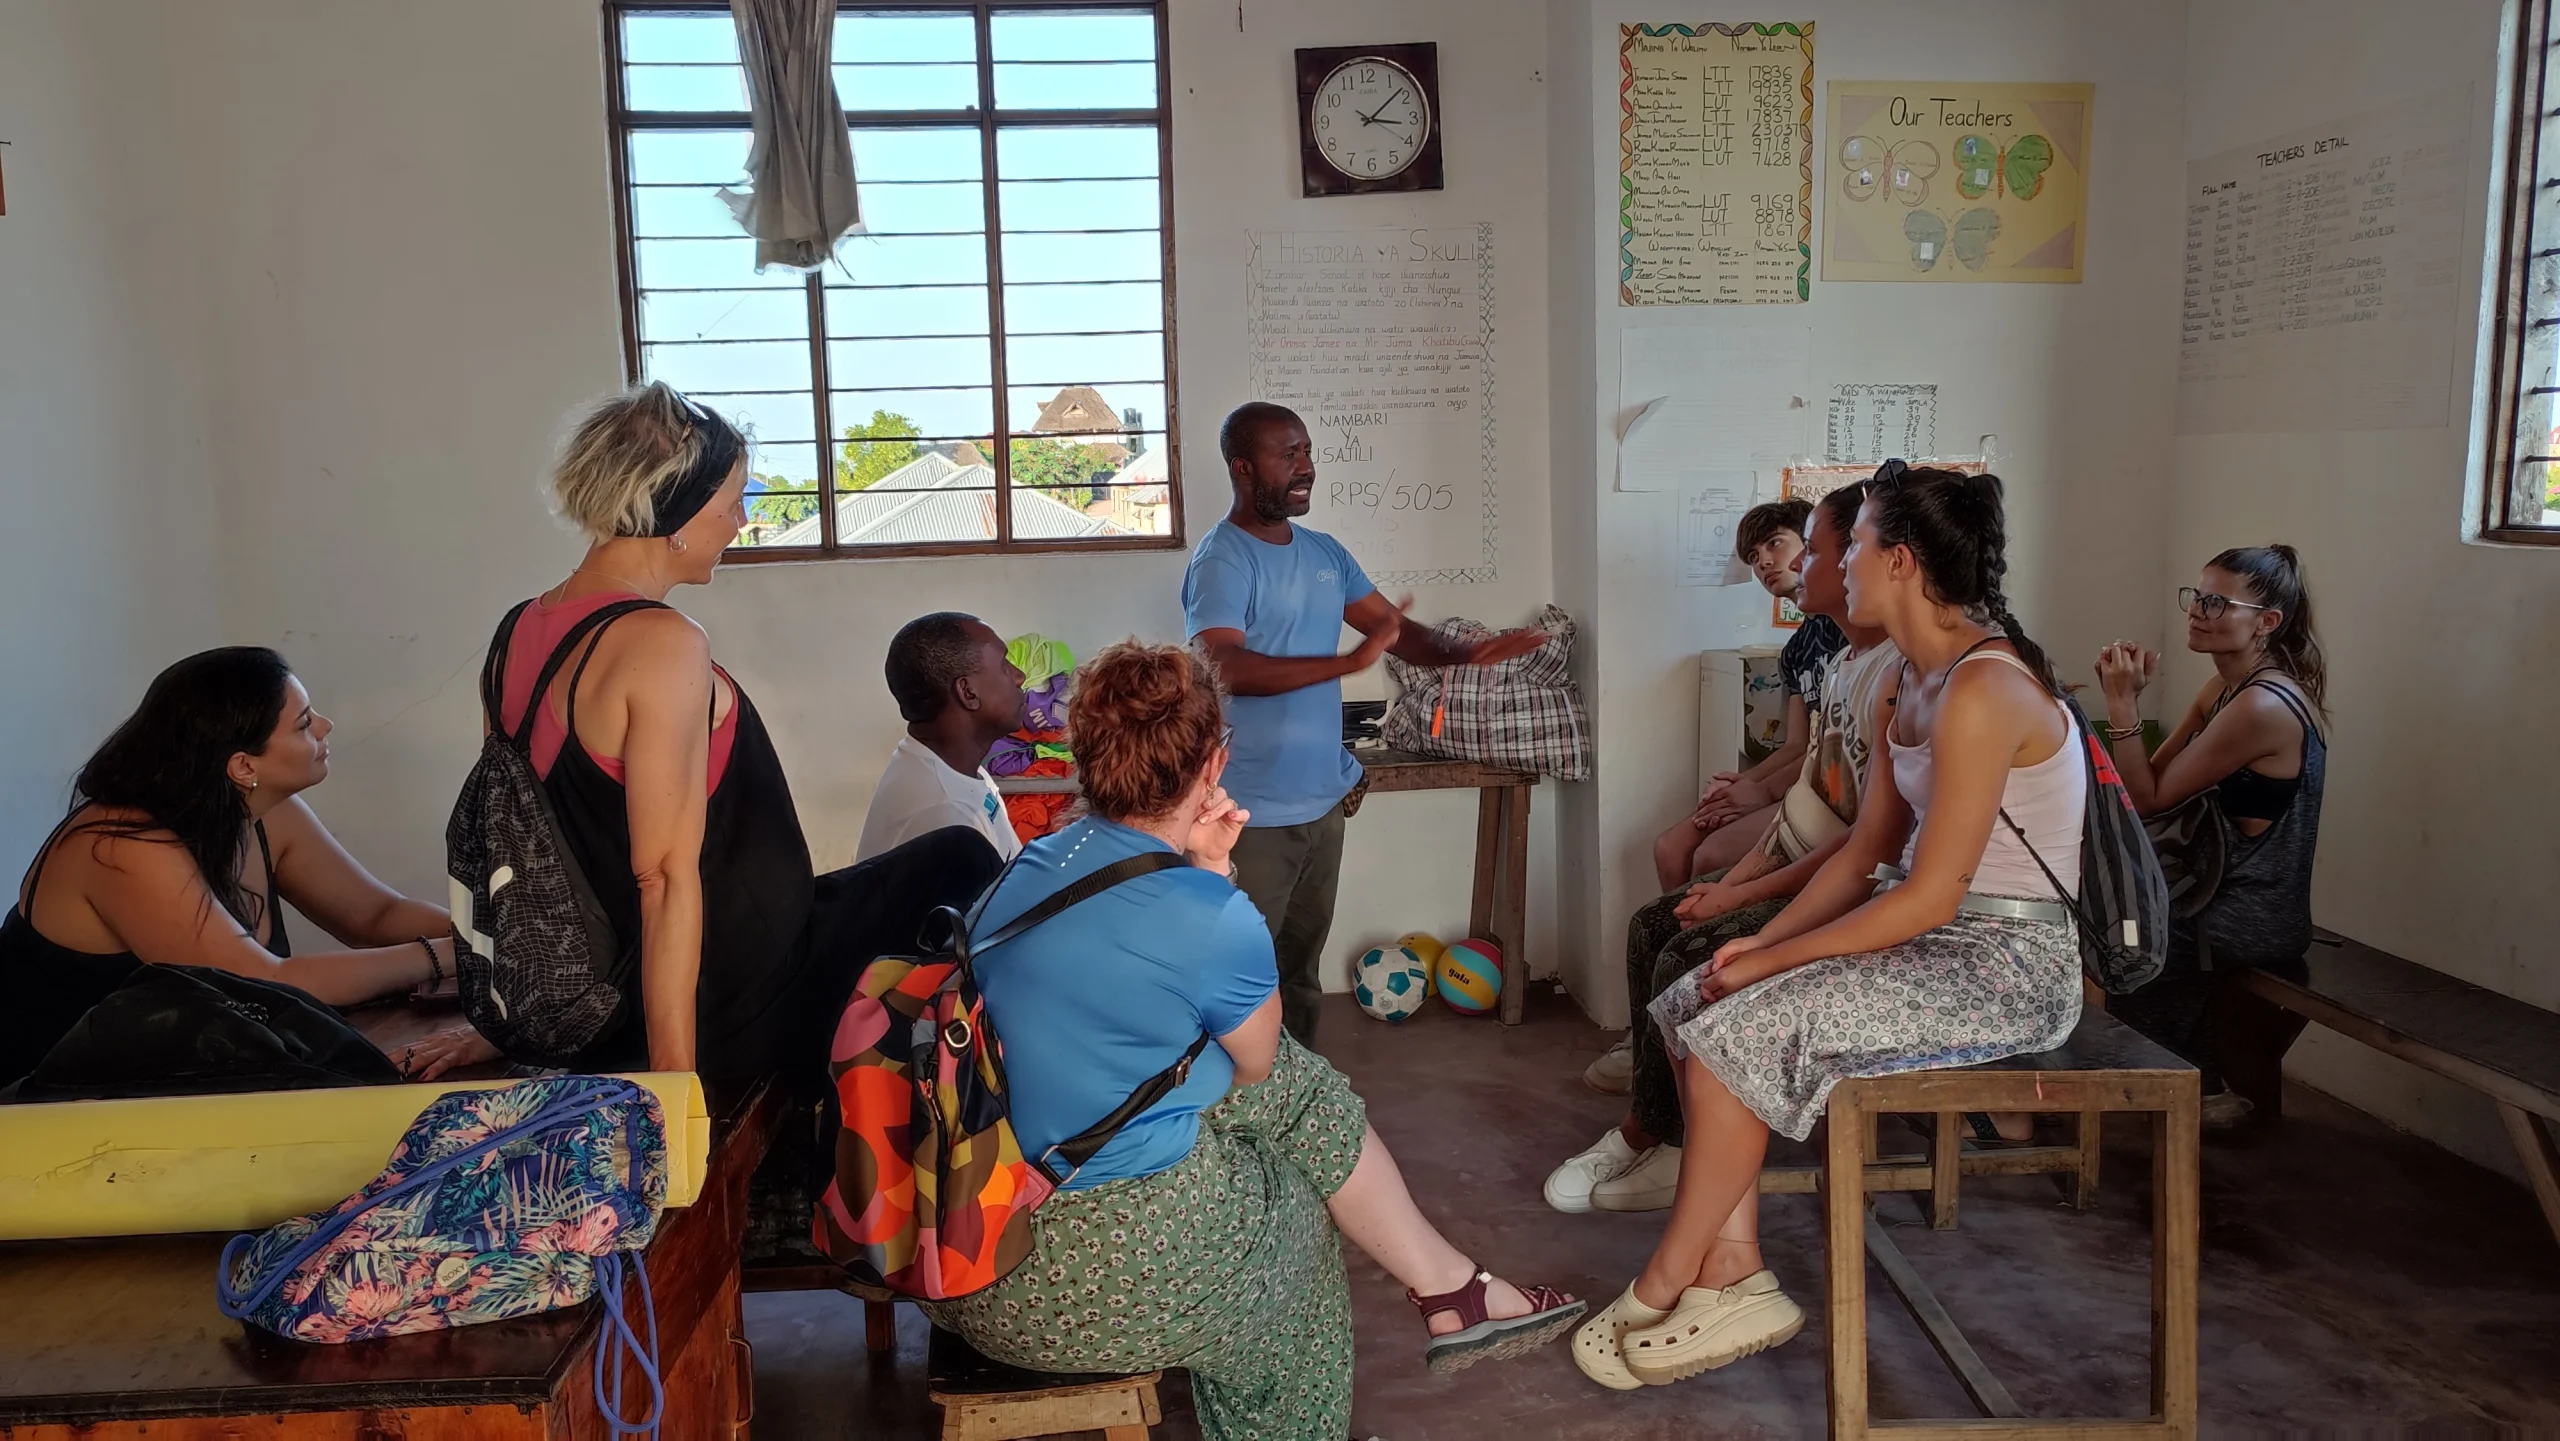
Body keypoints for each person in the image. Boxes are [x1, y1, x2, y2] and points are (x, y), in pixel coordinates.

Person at [923, 641, 1582, 1440]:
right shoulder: (1208, 913)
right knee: (1296, 1217)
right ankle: (1444, 1292)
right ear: (1215, 760)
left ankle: (1450, 1286)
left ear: (1083, 756)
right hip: (1082, 1284)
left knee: (1277, 1103)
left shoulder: (1029, 865)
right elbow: (1259, 1062)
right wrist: (1215, 875)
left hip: (961, 1246)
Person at [1574, 467, 2085, 1391]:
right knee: (1696, 994)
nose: (1836, 561)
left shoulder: (1984, 689)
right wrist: (1751, 945)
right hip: (1936, 937)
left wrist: (1774, 953)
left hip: (2009, 960)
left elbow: (1928, 897)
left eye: (1849, 546)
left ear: (1899, 559)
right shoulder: (1912, 687)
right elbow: (1863, 858)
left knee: (1743, 1018)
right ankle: (1732, 1272)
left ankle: (1664, 1280)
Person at [492, 382, 1001, 1078]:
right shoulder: (661, 642)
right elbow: (665, 879)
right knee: (964, 861)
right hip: (738, 995)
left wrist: (512, 1025)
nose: (739, 519)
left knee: (929, 867)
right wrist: (675, 1091)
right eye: (731, 499)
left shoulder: (517, 633)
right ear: (674, 507)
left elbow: (522, 865)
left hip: (626, 985)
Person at [1554, 479, 1902, 1213]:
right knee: (1660, 919)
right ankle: (1652, 1120)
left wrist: (1744, 893)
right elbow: (1809, 796)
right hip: (1806, 864)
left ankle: (1669, 1142)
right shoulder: (1839, 663)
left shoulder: (1900, 675)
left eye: (1811, 549)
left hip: (1849, 891)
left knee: (1690, 953)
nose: (1793, 567)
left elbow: (1864, 847)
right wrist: (1737, 878)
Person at [1184, 401, 1544, 1046]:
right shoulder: (1222, 559)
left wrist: (1463, 653)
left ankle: (1295, 1092)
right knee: (1240, 973)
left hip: (1320, 801)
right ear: (1242, 468)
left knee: (1299, 969)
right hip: (1249, 814)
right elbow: (1223, 663)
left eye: (1307, 451)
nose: (1305, 467)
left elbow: (1393, 630)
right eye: (1286, 454)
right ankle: (1227, 1113)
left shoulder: (1325, 553)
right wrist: (1347, 662)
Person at [2, 647, 491, 1090]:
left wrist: (499, 933)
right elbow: (261, 980)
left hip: (171, 1089)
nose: (325, 726)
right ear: (242, 766)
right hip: (47, 1112)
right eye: (302, 724)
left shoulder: (263, 812)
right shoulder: (120, 844)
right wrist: (453, 953)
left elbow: (375, 916)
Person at [2091, 544, 2327, 1128]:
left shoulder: (2263, 705)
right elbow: (2141, 791)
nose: (2197, 610)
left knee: (2129, 942)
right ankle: (2174, 1085)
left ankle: (2192, 1090)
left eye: (2218, 602)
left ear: (2266, 623)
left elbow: (2144, 798)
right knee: (2105, 913)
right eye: (2196, 597)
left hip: (2248, 911)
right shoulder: (2223, 691)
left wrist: (2121, 704)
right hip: (2214, 895)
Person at [1651, 498, 1849, 892]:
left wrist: (1762, 791)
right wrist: (1739, 787)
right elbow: (1797, 743)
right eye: (1754, 556)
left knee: (1712, 853)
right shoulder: (1797, 651)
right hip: (1804, 773)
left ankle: (1718, 942)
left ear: (1810, 546)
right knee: (1670, 847)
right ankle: (1682, 948)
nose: (1764, 563)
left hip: (1833, 786)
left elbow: (1836, 751)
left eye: (1775, 544)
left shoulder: (1848, 629)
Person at [854, 612, 1027, 865]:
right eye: (1004, 665)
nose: (1020, 676)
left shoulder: (952, 767)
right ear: (968, 692)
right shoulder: (946, 816)